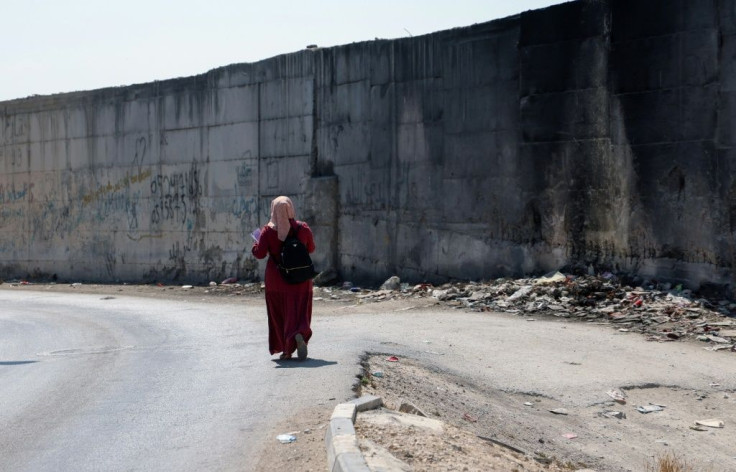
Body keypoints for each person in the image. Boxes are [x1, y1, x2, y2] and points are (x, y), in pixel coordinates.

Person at [251, 196, 316, 360]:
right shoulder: (303, 228)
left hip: (277, 280)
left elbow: (259, 254)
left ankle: (287, 350)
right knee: (299, 309)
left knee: (279, 313)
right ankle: (299, 332)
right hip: (301, 279)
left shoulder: (267, 231)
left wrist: (255, 245)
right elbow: (312, 249)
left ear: (273, 210)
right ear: (290, 209)